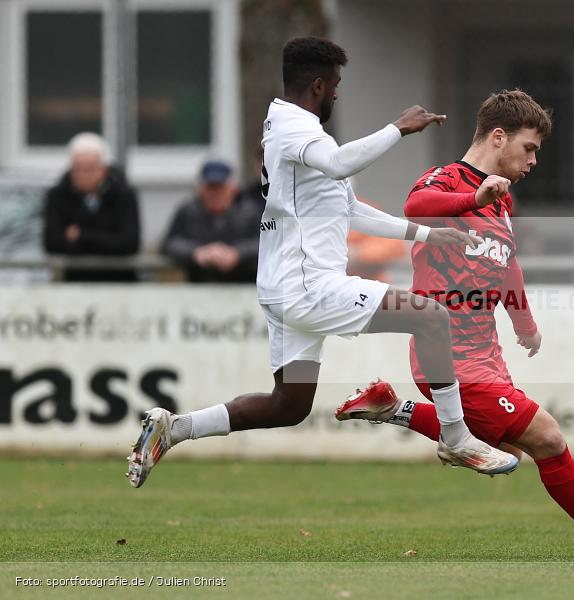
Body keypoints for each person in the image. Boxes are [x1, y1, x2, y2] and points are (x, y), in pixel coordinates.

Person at [127, 36, 518, 487]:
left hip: (286, 287)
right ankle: (455, 437)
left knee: (287, 406)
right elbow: (336, 164)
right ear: (317, 84)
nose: (336, 93)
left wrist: (429, 234)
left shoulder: (293, 131)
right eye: (335, 85)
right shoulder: (297, 130)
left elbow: (351, 209)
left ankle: (174, 428)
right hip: (309, 285)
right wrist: (398, 128)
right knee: (431, 317)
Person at [334, 90, 574, 559]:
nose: (532, 161)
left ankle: (391, 407)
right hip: (447, 353)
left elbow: (508, 265)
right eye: (528, 149)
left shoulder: (502, 204)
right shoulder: (448, 178)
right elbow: (416, 207)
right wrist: (473, 195)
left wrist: (523, 321)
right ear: (498, 136)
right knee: (549, 437)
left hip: (486, 354)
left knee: (515, 451)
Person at [43, 132, 140, 281]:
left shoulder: (123, 195)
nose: (84, 175)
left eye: (90, 169)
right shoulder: (58, 195)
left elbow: (129, 244)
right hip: (74, 283)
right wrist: (106, 238)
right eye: (78, 169)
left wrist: (81, 236)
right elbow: (52, 242)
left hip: (118, 283)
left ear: (104, 169)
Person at [162, 159, 261, 283]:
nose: (215, 193)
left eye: (220, 187)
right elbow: (170, 243)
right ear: (200, 189)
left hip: (243, 284)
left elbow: (264, 243)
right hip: (199, 285)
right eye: (210, 187)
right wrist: (196, 252)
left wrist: (238, 253)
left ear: (232, 189)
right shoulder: (188, 211)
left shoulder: (250, 211)